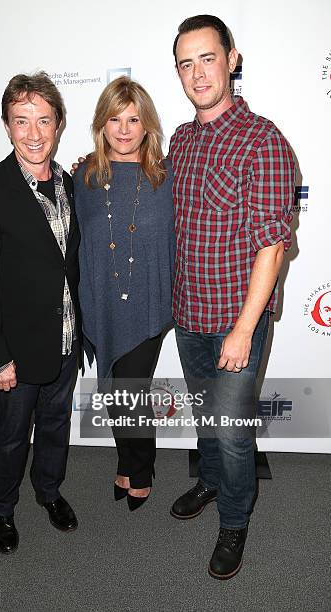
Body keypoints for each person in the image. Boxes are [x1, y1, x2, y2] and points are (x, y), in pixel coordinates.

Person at [169, 15, 295, 579]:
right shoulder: (180, 138)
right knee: (205, 417)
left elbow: (272, 245)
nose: (197, 73)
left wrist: (245, 329)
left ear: (232, 59)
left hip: (235, 321)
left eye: (207, 58)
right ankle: (211, 482)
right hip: (189, 314)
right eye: (185, 63)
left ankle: (235, 520)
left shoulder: (263, 140)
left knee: (234, 433)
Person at [0, 72, 83, 554]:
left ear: (58, 125)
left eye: (44, 121)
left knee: (55, 429)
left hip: (66, 344)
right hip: (14, 353)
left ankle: (49, 493)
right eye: (21, 121)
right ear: (7, 127)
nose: (34, 133)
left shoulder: (70, 185)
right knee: (11, 437)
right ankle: (2, 509)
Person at [73, 77, 175, 511]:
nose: (124, 128)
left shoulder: (167, 176)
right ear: (102, 123)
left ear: (147, 124)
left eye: (134, 119)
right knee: (113, 393)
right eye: (115, 118)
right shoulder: (84, 176)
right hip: (100, 302)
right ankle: (126, 462)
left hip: (149, 303)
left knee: (130, 393)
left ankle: (143, 469)